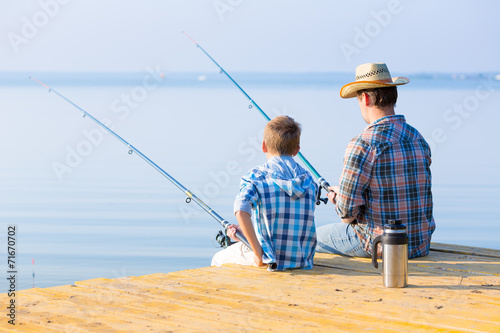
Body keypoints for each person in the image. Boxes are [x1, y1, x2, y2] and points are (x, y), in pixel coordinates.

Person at [316, 63, 436, 259]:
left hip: (381, 246)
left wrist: (339, 199)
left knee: (310, 238)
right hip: (419, 243)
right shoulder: (417, 137)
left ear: (365, 97)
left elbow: (347, 216)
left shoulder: (363, 144)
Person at [211, 115, 318, 271]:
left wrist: (257, 253)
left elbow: (241, 211)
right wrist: (247, 233)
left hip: (270, 260)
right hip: (302, 261)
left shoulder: (256, 176)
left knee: (218, 259)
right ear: (296, 150)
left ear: (263, 146)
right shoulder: (309, 181)